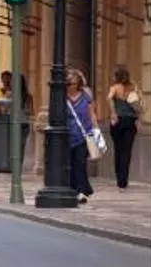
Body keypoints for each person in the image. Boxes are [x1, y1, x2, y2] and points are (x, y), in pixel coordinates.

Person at [107, 66, 142, 189]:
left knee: (118, 149)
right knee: (127, 151)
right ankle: (123, 180)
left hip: (118, 121)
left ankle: (119, 177)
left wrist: (113, 113)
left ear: (116, 76)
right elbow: (138, 104)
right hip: (130, 121)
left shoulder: (114, 88)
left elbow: (109, 98)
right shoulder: (133, 88)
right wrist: (138, 118)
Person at [66, 68, 96, 203]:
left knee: (80, 163)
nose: (70, 86)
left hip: (83, 135)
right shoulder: (62, 97)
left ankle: (82, 191)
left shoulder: (85, 95)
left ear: (78, 83)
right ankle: (76, 189)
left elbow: (92, 114)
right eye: (68, 83)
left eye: (72, 83)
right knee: (70, 165)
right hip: (67, 136)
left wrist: (95, 130)